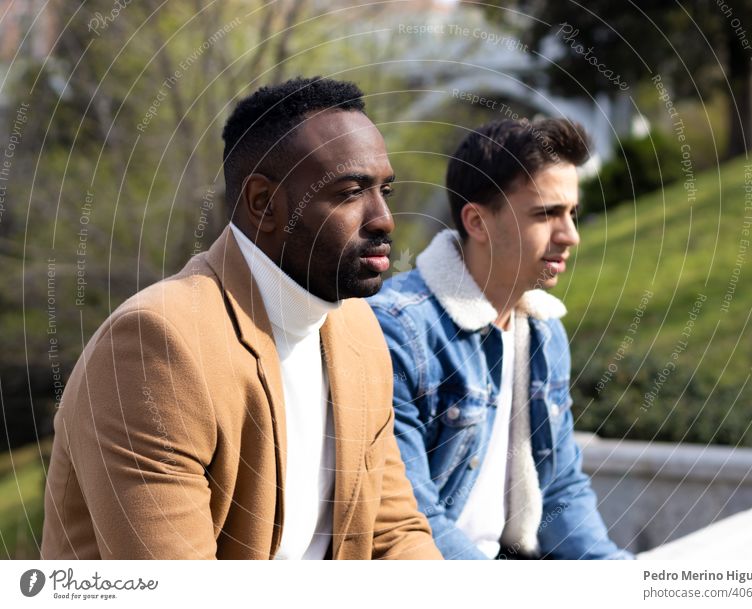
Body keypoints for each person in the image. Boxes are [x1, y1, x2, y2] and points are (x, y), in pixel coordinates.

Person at [42, 76, 441, 560]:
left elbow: (393, 533)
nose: (383, 219)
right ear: (263, 204)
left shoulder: (358, 330)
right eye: (351, 192)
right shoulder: (157, 347)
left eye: (386, 191)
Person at [369, 118, 633, 559]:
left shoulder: (544, 332)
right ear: (477, 222)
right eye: (546, 214)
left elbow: (561, 487)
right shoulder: (397, 331)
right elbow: (412, 519)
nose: (570, 235)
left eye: (572, 213)